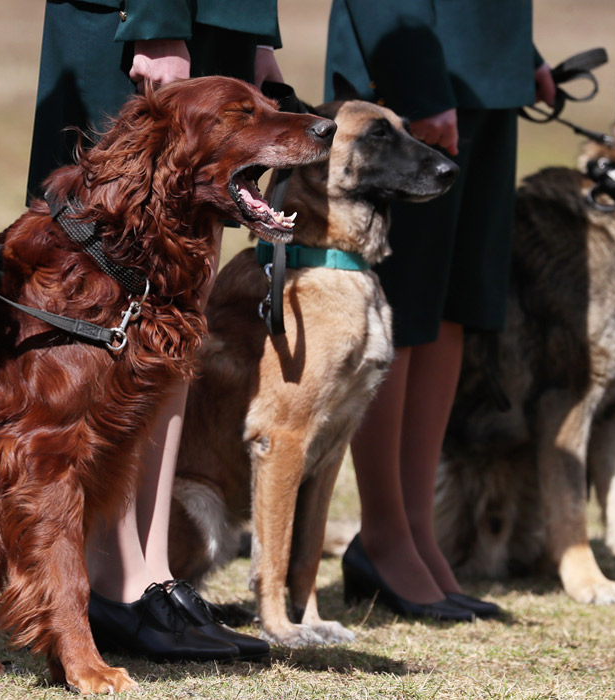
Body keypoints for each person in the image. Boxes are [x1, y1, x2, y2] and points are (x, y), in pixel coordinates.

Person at [27, 0, 282, 661]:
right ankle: (110, 579)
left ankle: (150, 572)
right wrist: (155, 22)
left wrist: (253, 37)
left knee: (175, 315)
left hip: (215, 25)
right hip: (139, 23)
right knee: (104, 306)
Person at [324, 0, 556, 621]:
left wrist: (513, 51)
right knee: (404, 305)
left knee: (452, 301)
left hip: (481, 68)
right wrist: (418, 83)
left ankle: (417, 533)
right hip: (414, 71)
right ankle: (384, 536)